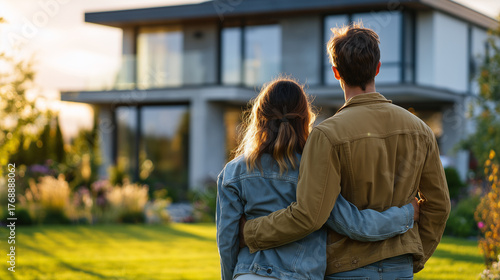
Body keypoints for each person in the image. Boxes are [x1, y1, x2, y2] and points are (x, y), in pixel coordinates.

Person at [240, 23, 451, 279]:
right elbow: (439, 206)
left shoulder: (327, 135)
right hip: (400, 267)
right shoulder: (421, 130)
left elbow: (309, 216)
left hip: (347, 269)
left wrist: (249, 232)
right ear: (377, 68)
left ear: (336, 72)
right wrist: (414, 256)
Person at [217, 77, 419, 280]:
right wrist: (406, 214)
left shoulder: (233, 172)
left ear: (259, 118)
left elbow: (227, 242)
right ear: (305, 118)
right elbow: (355, 224)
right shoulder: (316, 170)